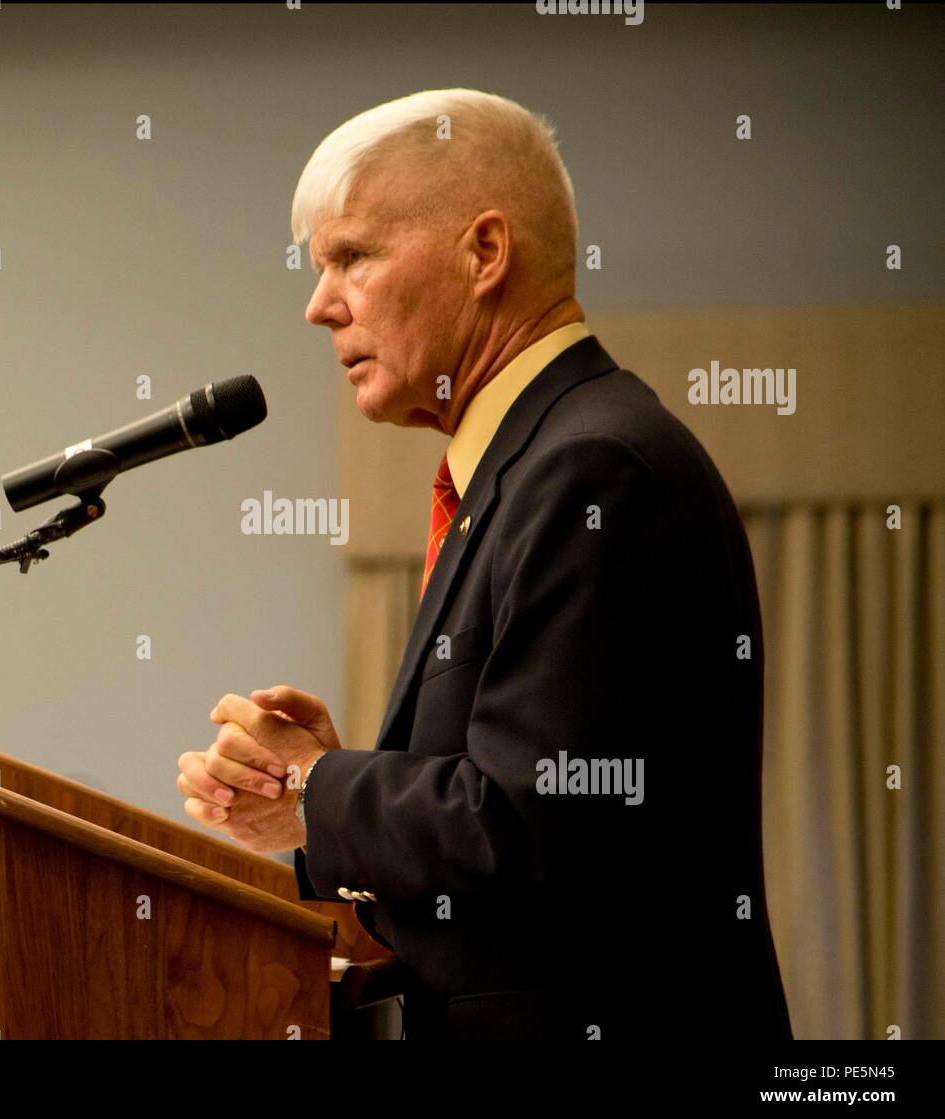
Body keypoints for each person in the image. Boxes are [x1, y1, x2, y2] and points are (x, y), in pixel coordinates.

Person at [177, 88, 792, 1042]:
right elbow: (512, 832)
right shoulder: (528, 464)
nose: (317, 305)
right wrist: (331, 800)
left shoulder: (592, 467)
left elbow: (533, 824)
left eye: (352, 256)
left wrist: (324, 787)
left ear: (486, 253)